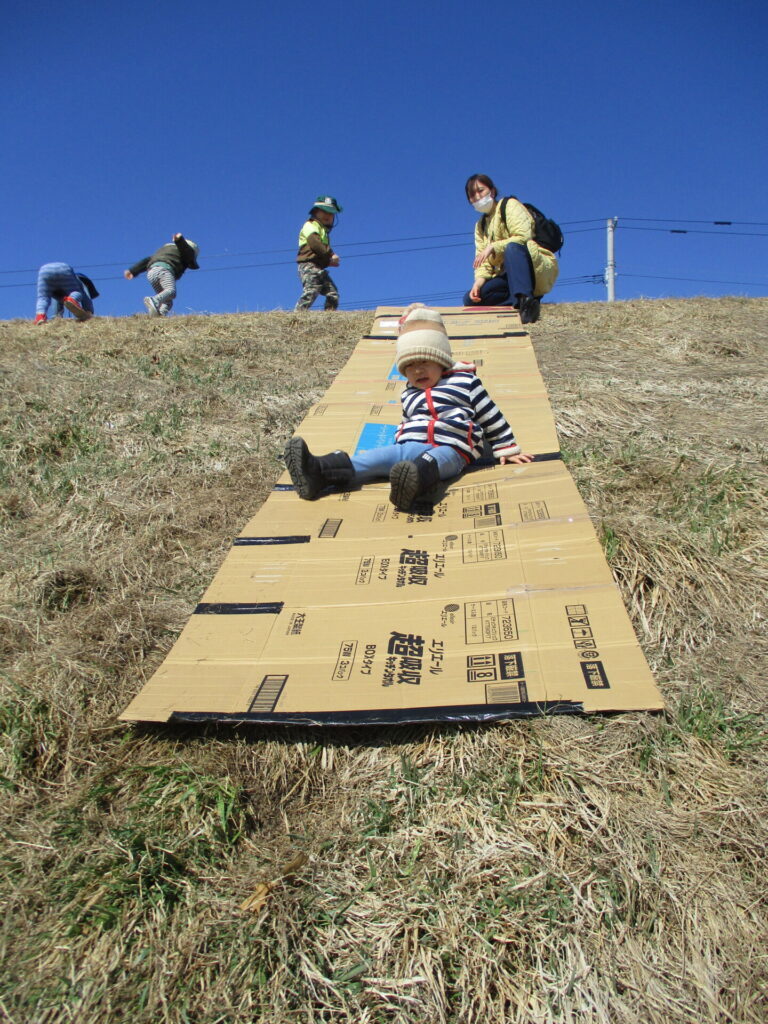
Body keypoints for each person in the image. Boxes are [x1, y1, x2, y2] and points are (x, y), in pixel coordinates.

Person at [284, 306, 533, 512]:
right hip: (411, 446)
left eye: (424, 362)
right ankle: (318, 472)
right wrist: (398, 444)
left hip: (453, 449)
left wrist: (506, 447)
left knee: (431, 461)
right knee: (374, 458)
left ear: (441, 360)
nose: (417, 370)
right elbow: (407, 421)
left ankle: (413, 486)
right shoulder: (409, 393)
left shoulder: (465, 382)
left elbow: (490, 414)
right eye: (409, 366)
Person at [463, 173, 559, 324]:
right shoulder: (480, 226)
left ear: (492, 191)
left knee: (512, 248)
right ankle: (514, 303)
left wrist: (493, 247)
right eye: (472, 195)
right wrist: (478, 282)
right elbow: (483, 261)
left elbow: (523, 237)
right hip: (506, 275)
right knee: (470, 300)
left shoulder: (510, 205)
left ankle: (526, 302)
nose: (477, 197)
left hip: (531, 266)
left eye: (480, 190)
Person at [124, 233, 199, 317]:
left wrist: (133, 271)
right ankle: (154, 300)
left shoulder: (163, 252)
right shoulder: (186, 251)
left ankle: (159, 316)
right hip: (164, 270)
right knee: (171, 291)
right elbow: (185, 249)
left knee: (167, 301)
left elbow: (147, 260)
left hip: (151, 273)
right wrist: (179, 240)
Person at [295, 196, 342, 311]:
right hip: (308, 265)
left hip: (318, 267)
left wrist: (328, 262)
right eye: (324, 211)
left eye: (331, 213)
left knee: (333, 293)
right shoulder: (310, 225)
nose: (328, 215)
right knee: (312, 289)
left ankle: (329, 317)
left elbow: (319, 254)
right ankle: (297, 316)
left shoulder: (323, 232)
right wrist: (331, 255)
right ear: (316, 212)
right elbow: (315, 244)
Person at [34, 263, 98, 323]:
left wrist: (56, 316)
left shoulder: (55, 290)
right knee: (76, 292)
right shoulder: (79, 280)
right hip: (64, 269)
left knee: (43, 298)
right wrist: (88, 311)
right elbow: (85, 296)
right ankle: (72, 299)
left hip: (43, 271)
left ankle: (40, 316)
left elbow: (56, 300)